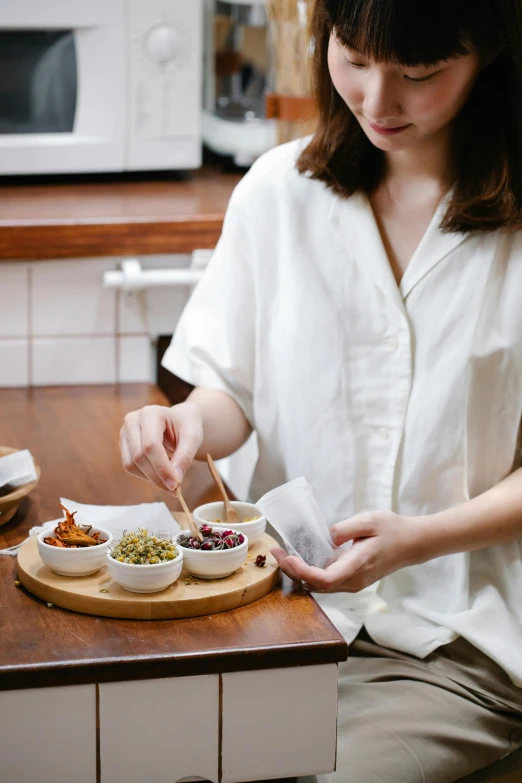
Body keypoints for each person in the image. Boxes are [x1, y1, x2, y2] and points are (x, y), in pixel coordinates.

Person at [119, 0, 522, 780]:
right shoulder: (278, 192)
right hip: (276, 614)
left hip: (454, 644)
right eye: (355, 57)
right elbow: (232, 392)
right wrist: (185, 422)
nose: (376, 100)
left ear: (491, 54)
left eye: (419, 74)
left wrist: (420, 538)